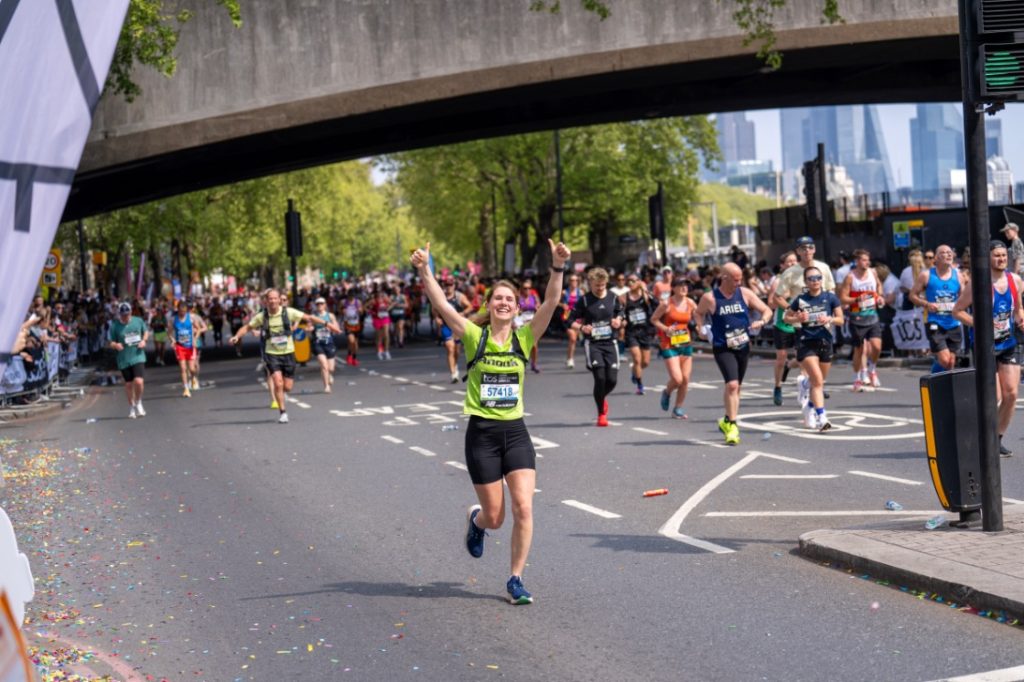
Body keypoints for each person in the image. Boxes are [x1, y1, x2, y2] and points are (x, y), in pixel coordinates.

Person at [411, 238, 571, 605]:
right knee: (496, 517)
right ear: (489, 304)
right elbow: (440, 304)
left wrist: (558, 266)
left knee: (524, 507)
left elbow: (550, 302)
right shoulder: (473, 337)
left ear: (517, 309)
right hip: (481, 435)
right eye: (497, 298)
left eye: (509, 300)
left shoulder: (525, 337)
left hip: (515, 433)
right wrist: (424, 270)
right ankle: (477, 521)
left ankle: (515, 579)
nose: (503, 303)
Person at [954, 240, 1024, 457]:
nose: (1001, 259)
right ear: (988, 258)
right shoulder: (978, 284)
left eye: (1004, 255)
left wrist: (1020, 318)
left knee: (1011, 393)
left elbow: (1018, 308)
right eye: (997, 256)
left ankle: (996, 438)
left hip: (1008, 342)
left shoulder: (1015, 280)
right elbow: (957, 311)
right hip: (985, 346)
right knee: (993, 397)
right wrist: (980, 323)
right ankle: (979, 436)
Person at [696, 263, 771, 445]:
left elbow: (767, 310)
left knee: (737, 387)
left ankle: (727, 420)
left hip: (743, 345)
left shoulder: (745, 293)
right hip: (723, 346)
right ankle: (733, 426)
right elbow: (698, 313)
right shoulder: (710, 297)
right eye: (735, 280)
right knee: (732, 384)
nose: (739, 283)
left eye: (740, 279)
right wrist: (700, 328)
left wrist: (761, 322)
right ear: (724, 278)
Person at [229, 288, 322, 424]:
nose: (272, 301)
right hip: (271, 353)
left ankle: (281, 394)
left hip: (288, 352)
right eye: (270, 298)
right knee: (278, 383)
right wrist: (237, 336)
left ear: (279, 300)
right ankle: (283, 412)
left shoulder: (288, 312)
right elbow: (247, 327)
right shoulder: (262, 316)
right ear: (266, 301)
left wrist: (327, 324)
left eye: (275, 298)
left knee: (287, 387)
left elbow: (308, 317)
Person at [772, 236, 836, 410]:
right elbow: (778, 296)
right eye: (803, 248)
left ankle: (808, 385)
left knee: (821, 370)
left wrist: (830, 315)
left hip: (822, 325)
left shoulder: (823, 268)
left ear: (814, 249)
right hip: (801, 326)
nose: (807, 251)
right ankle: (815, 405)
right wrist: (793, 310)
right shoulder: (790, 272)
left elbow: (830, 291)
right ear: (798, 251)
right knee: (806, 362)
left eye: (810, 247)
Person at [784, 267, 844, 431]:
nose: (815, 281)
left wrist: (829, 319)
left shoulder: (830, 298)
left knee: (818, 382)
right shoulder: (800, 299)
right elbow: (786, 318)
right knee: (817, 381)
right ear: (806, 282)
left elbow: (841, 320)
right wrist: (797, 317)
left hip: (825, 342)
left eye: (818, 277)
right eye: (811, 278)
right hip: (806, 342)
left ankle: (809, 405)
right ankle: (822, 417)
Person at [568, 267, 625, 427]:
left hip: (610, 342)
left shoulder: (613, 298)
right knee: (600, 378)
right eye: (596, 286)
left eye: (602, 285)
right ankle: (601, 413)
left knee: (612, 380)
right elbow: (569, 319)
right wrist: (581, 328)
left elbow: (621, 312)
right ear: (590, 284)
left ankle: (601, 397)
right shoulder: (585, 300)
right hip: (593, 344)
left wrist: (618, 320)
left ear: (606, 283)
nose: (599, 289)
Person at [909, 244, 965, 372]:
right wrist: (927, 304)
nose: (948, 254)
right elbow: (912, 295)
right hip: (935, 322)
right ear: (936, 258)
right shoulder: (927, 275)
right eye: (944, 252)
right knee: (945, 360)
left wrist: (960, 306)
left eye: (950, 252)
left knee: (950, 363)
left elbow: (963, 298)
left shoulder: (959, 276)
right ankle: (931, 385)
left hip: (953, 323)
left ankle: (938, 385)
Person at [650, 275, 697, 418]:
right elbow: (654, 319)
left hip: (685, 343)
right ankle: (667, 392)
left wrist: (701, 327)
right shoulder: (666, 304)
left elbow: (698, 317)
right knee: (677, 379)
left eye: (686, 285)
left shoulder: (691, 303)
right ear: (673, 288)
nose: (684, 288)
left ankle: (678, 408)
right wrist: (665, 329)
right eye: (681, 285)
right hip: (669, 344)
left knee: (686, 379)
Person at [839, 249, 884, 392]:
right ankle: (858, 376)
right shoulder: (850, 277)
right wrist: (857, 299)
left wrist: (880, 297)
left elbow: (878, 287)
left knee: (876, 346)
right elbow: (843, 298)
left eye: (867, 259)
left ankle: (872, 369)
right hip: (857, 317)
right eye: (864, 260)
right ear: (857, 261)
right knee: (860, 349)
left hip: (872, 315)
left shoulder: (873, 273)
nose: (867, 262)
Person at [108, 302, 149, 419]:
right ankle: (132, 407)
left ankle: (139, 402)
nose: (125, 317)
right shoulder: (115, 326)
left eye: (127, 314)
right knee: (129, 384)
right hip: (124, 358)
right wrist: (115, 345)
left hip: (137, 355)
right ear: (119, 314)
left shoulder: (138, 321)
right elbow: (110, 342)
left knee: (139, 381)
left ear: (131, 312)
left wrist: (144, 341)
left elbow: (145, 331)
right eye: (123, 315)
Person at [769, 251, 798, 406]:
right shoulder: (777, 280)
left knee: (803, 357)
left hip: (799, 322)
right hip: (782, 323)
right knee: (781, 356)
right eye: (789, 261)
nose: (792, 264)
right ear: (782, 265)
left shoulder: (802, 278)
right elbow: (771, 303)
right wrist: (785, 295)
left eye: (794, 261)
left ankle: (811, 386)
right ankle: (778, 387)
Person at [620, 273, 657, 396]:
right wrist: (621, 321)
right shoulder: (624, 297)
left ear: (639, 282)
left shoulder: (645, 296)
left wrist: (647, 291)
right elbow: (619, 313)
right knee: (637, 359)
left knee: (645, 362)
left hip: (645, 332)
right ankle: (640, 385)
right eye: (628, 281)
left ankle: (635, 371)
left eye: (633, 281)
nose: (630, 283)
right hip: (631, 332)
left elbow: (657, 305)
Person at [437, 278, 472, 382]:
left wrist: (463, 313)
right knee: (450, 348)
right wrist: (437, 318)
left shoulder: (459, 296)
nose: (449, 287)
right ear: (444, 286)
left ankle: (455, 364)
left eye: (450, 285)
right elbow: (434, 309)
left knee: (457, 350)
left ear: (454, 286)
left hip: (457, 325)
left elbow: (469, 306)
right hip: (446, 325)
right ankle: (453, 374)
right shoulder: (440, 297)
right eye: (447, 285)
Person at [170, 299, 204, 397]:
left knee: (192, 368)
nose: (183, 313)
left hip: (190, 346)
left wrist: (195, 339)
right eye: (181, 312)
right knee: (183, 368)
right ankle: (186, 389)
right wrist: (172, 340)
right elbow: (169, 332)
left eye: (184, 312)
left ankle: (193, 377)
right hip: (180, 346)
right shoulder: (173, 319)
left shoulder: (191, 318)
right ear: (178, 310)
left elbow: (198, 329)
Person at [310, 297, 343, 392]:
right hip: (318, 343)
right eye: (317, 304)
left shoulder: (330, 315)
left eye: (321, 303)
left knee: (331, 368)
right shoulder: (313, 316)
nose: (319, 305)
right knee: (324, 365)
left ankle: (330, 374)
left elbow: (336, 327)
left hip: (329, 343)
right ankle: (326, 386)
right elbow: (309, 327)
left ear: (325, 305)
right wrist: (310, 328)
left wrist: (331, 327)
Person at [517, 278, 542, 373]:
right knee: (523, 345)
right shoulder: (518, 298)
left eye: (529, 288)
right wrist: (520, 311)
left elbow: (539, 307)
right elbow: (515, 312)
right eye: (525, 288)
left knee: (534, 345)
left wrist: (537, 307)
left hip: (533, 322)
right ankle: (522, 363)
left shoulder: (534, 297)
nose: (527, 290)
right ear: (521, 289)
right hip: (521, 323)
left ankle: (534, 364)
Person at [560, 274, 584, 369]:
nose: (573, 282)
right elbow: (556, 302)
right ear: (569, 281)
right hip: (567, 317)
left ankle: (570, 358)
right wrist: (562, 305)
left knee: (573, 340)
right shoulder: (564, 292)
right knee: (573, 338)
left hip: (577, 318)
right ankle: (570, 359)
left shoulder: (581, 292)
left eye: (575, 280)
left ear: (577, 282)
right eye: (571, 280)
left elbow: (584, 304)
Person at [340, 290, 364, 366]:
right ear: (348, 296)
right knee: (351, 340)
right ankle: (350, 355)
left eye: (353, 296)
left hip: (356, 324)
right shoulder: (343, 302)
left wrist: (360, 311)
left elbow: (362, 312)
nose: (351, 298)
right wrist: (342, 311)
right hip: (348, 324)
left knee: (355, 343)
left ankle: (353, 357)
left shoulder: (358, 302)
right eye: (350, 296)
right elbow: (338, 310)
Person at [368, 288, 393, 360]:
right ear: (376, 296)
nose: (381, 297)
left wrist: (388, 308)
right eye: (379, 296)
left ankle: (387, 351)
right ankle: (379, 351)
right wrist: (373, 313)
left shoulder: (385, 300)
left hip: (385, 318)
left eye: (382, 295)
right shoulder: (373, 301)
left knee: (386, 334)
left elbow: (391, 304)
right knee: (379, 337)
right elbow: (365, 307)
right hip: (377, 319)